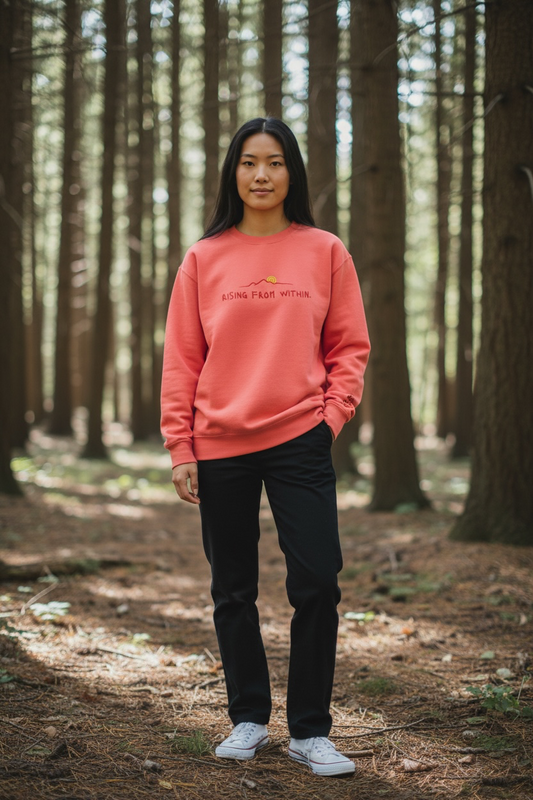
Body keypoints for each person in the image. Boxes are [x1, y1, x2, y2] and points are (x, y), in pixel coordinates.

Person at [161, 117, 370, 778]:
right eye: (249, 162)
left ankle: (310, 730)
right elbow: (181, 360)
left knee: (317, 581)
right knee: (233, 589)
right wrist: (180, 446)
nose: (261, 175)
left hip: (299, 438)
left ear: (291, 172)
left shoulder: (324, 250)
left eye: (275, 162)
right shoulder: (204, 257)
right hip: (219, 442)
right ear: (233, 173)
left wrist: (329, 419)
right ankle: (248, 717)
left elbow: (349, 347)